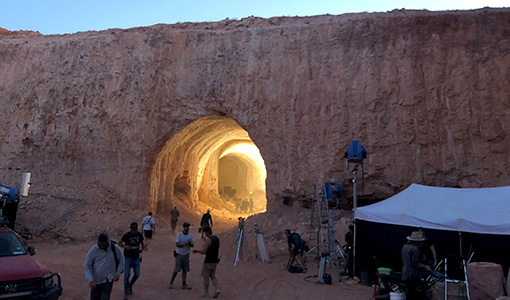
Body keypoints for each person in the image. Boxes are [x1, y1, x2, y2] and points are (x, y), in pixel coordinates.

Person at [84, 232, 125, 300]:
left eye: (104, 244)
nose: (102, 246)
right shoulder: (93, 250)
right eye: (101, 244)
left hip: (108, 279)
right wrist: (90, 279)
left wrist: (118, 273)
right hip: (96, 281)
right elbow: (87, 265)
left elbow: (121, 259)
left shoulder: (114, 248)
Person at [401, 231, 431, 300]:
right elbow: (415, 263)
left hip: (405, 273)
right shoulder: (415, 249)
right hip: (413, 275)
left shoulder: (405, 247)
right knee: (417, 294)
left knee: (409, 293)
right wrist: (425, 267)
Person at [118, 222, 144, 300]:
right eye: (133, 229)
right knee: (126, 275)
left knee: (137, 274)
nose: (134, 231)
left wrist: (141, 249)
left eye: (135, 229)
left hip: (136, 257)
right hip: (128, 257)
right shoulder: (127, 235)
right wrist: (125, 246)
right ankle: (126, 292)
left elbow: (142, 243)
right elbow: (119, 242)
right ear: (131, 229)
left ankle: (130, 285)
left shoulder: (139, 235)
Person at [193, 226, 221, 298]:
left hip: (208, 260)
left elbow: (203, 251)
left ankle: (206, 293)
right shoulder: (217, 239)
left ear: (207, 232)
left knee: (206, 277)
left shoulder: (209, 240)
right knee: (213, 276)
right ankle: (217, 289)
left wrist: (197, 251)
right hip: (215, 260)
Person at [169, 222, 195, 290]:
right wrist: (185, 244)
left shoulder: (191, 235)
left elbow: (192, 245)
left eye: (188, 227)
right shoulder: (179, 235)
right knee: (176, 269)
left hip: (186, 254)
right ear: (183, 227)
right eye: (186, 227)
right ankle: (171, 282)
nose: (187, 228)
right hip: (179, 254)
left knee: (185, 270)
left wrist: (189, 244)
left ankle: (184, 283)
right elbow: (177, 244)